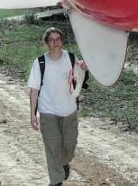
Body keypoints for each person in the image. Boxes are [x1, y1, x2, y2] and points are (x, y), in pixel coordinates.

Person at [27, 28, 87, 186]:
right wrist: (33, 115)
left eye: (58, 38)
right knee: (52, 148)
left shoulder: (71, 58)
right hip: (48, 112)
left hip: (69, 111)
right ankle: (56, 181)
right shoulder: (40, 62)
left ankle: (64, 163)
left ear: (62, 40)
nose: (55, 42)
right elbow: (34, 90)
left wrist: (85, 67)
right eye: (51, 39)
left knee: (69, 147)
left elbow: (81, 73)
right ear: (46, 42)